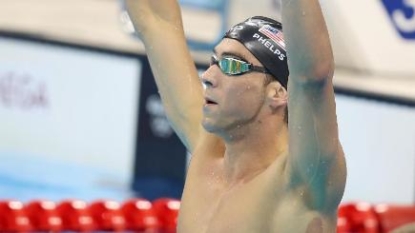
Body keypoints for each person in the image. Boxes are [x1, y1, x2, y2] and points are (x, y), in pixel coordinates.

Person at [125, 0, 346, 232]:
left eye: (231, 65)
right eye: (214, 61)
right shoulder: (207, 153)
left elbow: (312, 78)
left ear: (279, 93)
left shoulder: (302, 183)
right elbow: (156, 20)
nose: (208, 76)